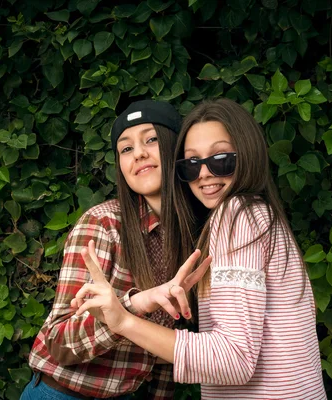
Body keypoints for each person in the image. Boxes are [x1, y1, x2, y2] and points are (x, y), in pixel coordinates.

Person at [73, 98, 327, 399]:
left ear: (247, 154)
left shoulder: (236, 215)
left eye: (221, 158)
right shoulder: (260, 215)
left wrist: (124, 320)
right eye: (192, 163)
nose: (205, 173)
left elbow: (234, 360)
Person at [22, 100, 210, 400]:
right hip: (63, 393)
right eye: (126, 148)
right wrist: (134, 305)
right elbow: (59, 341)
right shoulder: (102, 224)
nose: (139, 153)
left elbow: (163, 352)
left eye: (150, 139)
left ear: (177, 150)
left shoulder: (194, 235)